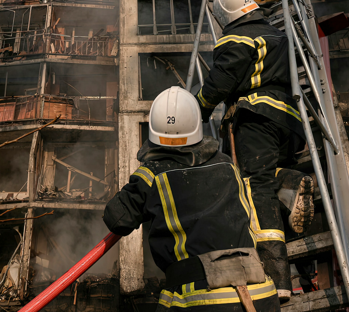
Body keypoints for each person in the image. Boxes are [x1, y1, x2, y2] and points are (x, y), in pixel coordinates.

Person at [103, 87, 280, 311]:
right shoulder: (227, 166)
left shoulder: (152, 175)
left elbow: (116, 219)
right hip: (261, 295)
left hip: (203, 300)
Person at [195, 0, 314, 301]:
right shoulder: (277, 35)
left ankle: (278, 279)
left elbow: (218, 85)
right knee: (269, 178)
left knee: (254, 188)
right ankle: (291, 181)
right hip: (289, 122)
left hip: (254, 118)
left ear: (223, 16)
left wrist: (197, 110)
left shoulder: (234, 39)